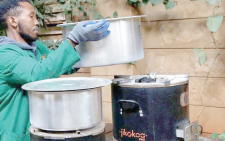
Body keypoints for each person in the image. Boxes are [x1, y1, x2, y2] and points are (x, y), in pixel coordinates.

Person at [0, 0, 110, 140]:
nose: (37, 22)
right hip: (17, 136)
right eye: (31, 16)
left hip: (41, 132)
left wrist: (86, 44)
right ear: (13, 21)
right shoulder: (4, 54)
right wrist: (73, 39)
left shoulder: (37, 47)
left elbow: (62, 65)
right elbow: (38, 74)